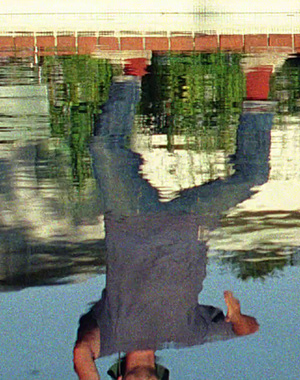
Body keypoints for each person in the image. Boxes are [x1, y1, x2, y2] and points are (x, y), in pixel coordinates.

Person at [72, 53, 273, 380]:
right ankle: (258, 71)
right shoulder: (188, 334)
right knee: (253, 176)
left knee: (103, 149)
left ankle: (132, 65)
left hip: (132, 217)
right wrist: (235, 318)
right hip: (189, 221)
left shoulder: (108, 336)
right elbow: (250, 330)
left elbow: (81, 354)